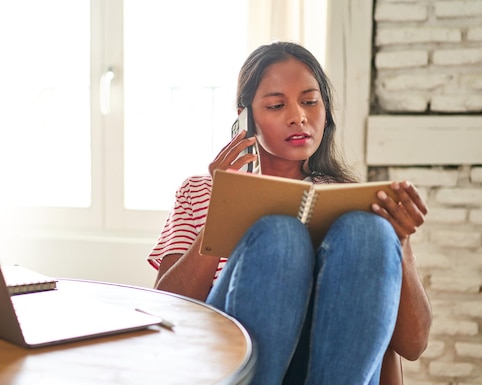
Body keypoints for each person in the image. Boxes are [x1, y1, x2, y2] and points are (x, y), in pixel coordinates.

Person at [147, 42, 432, 385]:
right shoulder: (201, 191)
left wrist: (398, 243)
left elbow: (412, 346)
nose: (298, 116)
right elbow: (167, 311)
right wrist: (224, 212)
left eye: (310, 101)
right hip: (228, 364)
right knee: (281, 236)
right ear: (245, 117)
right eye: (277, 105)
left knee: (367, 231)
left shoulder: (351, 199)